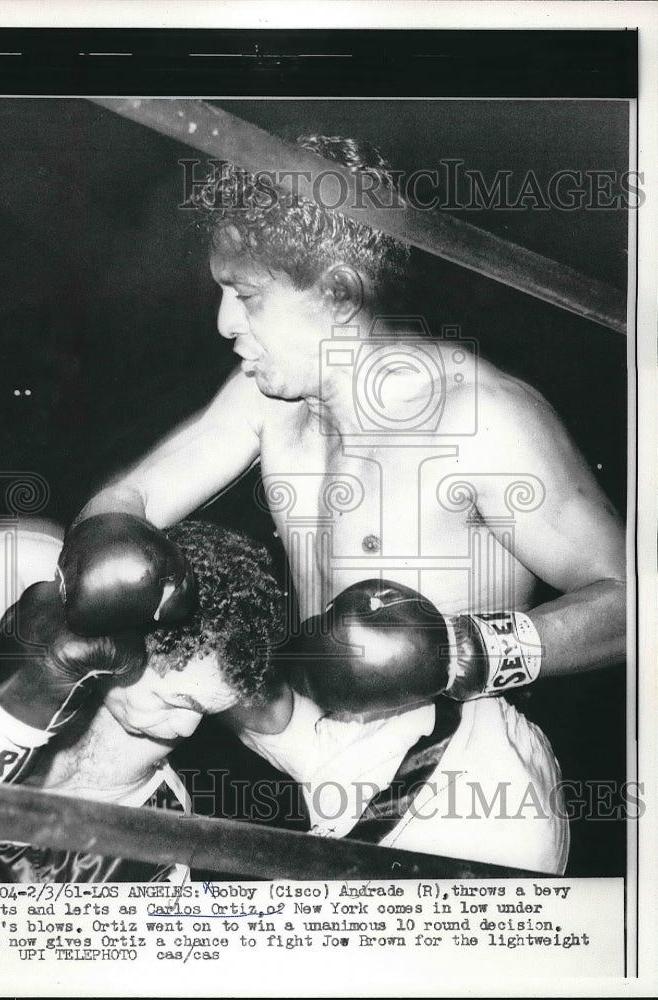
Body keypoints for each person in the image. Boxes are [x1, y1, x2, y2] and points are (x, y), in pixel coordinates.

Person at [50, 135, 624, 870]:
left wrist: (463, 653)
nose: (226, 322)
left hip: (463, 775)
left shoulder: (478, 417)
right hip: (318, 758)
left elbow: (636, 605)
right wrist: (108, 545)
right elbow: (130, 498)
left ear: (339, 292)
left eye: (248, 295)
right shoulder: (262, 399)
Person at [0, 518, 284, 883]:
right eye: (176, 701)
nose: (186, 727)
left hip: (115, 837)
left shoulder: (160, 791)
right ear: (125, 643)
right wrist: (19, 708)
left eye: (205, 709)